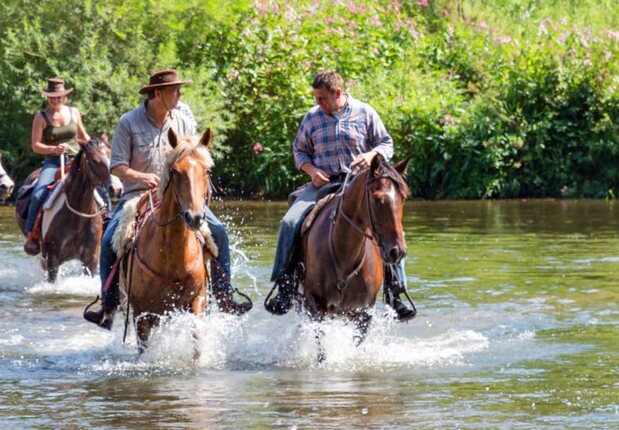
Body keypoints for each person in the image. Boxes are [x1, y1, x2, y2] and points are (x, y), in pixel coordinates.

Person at [83, 69, 251, 328]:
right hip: (137, 194)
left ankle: (225, 297)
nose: (180, 94)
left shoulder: (182, 121)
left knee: (218, 231)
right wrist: (141, 177)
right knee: (109, 239)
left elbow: (195, 159)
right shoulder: (128, 122)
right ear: (158, 93)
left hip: (179, 194)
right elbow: (116, 166)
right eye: (175, 90)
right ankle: (108, 305)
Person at [263, 69, 415, 320]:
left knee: (391, 229)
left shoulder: (365, 112)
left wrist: (371, 156)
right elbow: (299, 150)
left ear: (337, 94)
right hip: (325, 184)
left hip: (361, 184)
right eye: (316, 98)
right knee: (289, 221)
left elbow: (386, 144)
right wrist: (311, 170)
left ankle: (396, 292)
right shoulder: (312, 117)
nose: (318, 103)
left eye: (322, 98)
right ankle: (284, 284)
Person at [15, 78, 90, 255]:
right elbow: (36, 146)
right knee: (39, 192)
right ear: (47, 98)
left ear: (64, 97)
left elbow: (83, 135)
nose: (55, 100)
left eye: (58, 97)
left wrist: (94, 147)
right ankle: (32, 233)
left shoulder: (74, 112)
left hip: (76, 159)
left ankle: (106, 223)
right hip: (53, 162)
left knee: (100, 187)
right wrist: (54, 149)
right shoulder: (41, 118)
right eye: (51, 97)